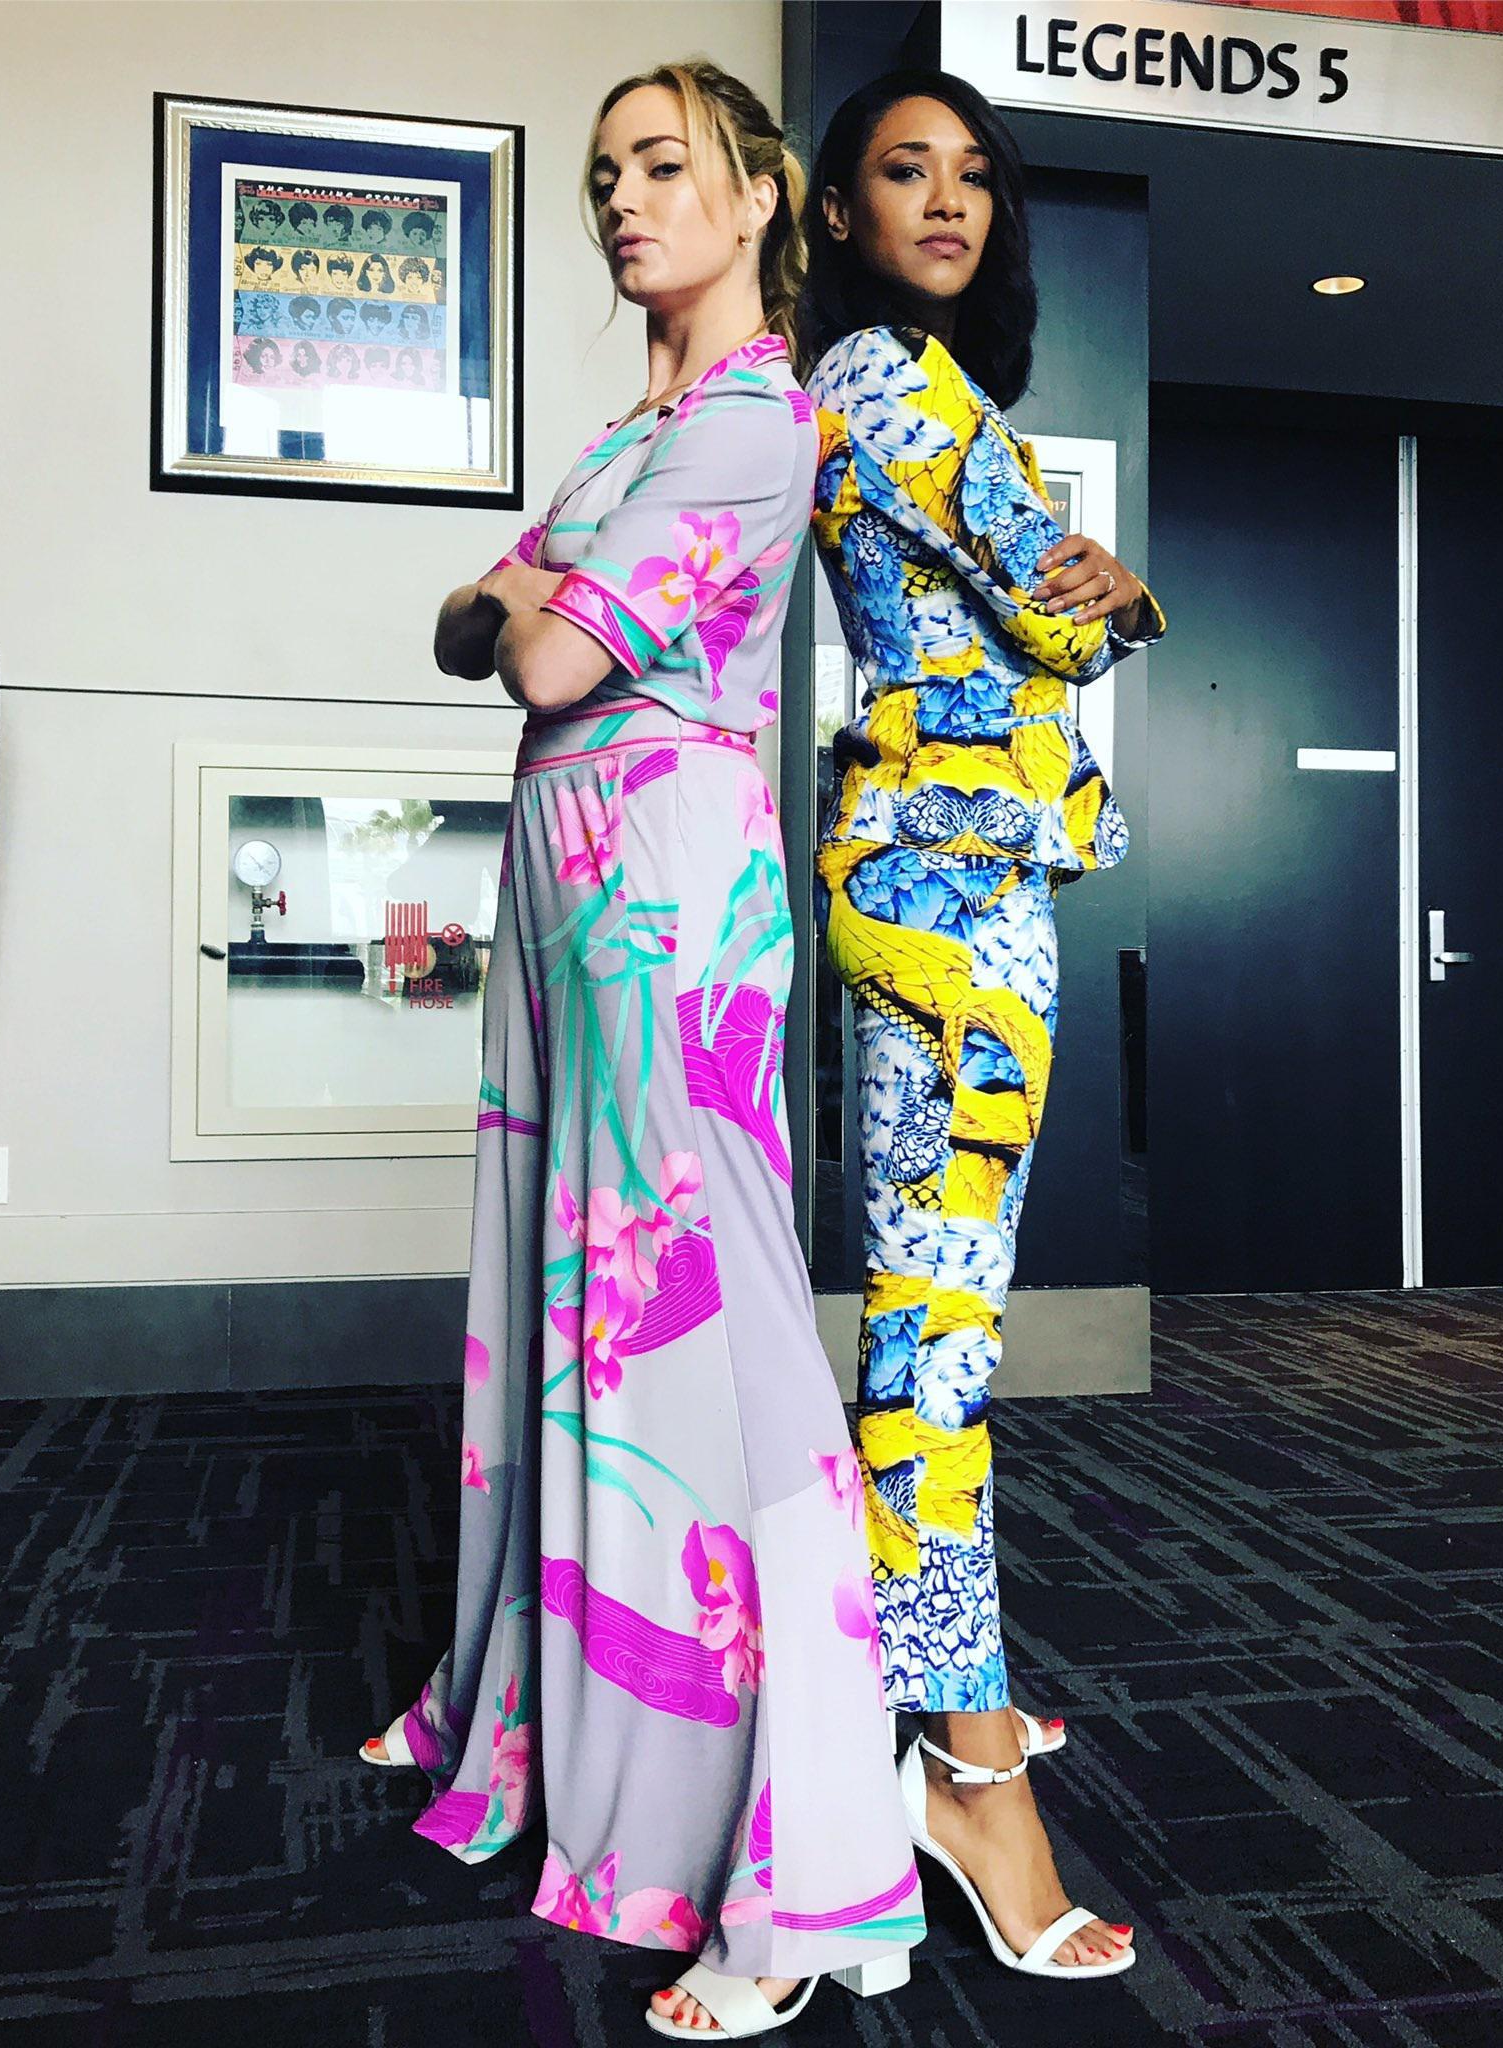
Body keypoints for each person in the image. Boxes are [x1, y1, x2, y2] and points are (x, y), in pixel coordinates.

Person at [364, 59, 921, 2041]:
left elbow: (523, 648)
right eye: (604, 173)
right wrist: (519, 597)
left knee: (720, 1332)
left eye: (662, 166)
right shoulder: (637, 429)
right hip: (568, 868)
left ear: (757, 192)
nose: (621, 200)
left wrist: (520, 593)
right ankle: (543, 1716)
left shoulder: (758, 415)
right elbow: (471, 621)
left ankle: (810, 1864)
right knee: (574, 1307)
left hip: (665, 881)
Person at [801, 69, 1165, 1982]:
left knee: (938, 1313)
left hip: (954, 877)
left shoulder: (925, 390)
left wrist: (1110, 589)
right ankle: (961, 1765)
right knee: (935, 1336)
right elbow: (1055, 603)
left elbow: (1061, 592)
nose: (946, 200)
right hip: (946, 891)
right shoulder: (886, 378)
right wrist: (1115, 592)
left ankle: (946, 1688)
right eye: (902, 170)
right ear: (840, 213)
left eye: (971, 175)